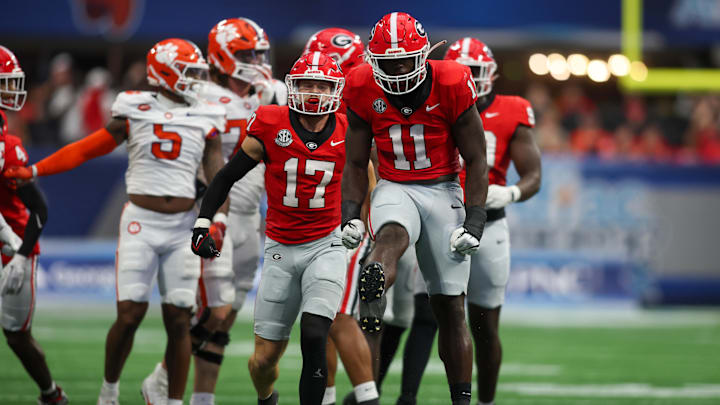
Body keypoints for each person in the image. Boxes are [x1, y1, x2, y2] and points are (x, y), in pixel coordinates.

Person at [5, 39, 227, 405]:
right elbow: (87, 147)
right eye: (189, 73)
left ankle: (172, 401)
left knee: (179, 317)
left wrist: (216, 217)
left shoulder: (207, 114)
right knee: (129, 314)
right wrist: (36, 169)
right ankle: (108, 393)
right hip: (141, 221)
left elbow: (216, 173)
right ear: (165, 74)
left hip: (182, 225)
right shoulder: (134, 107)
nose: (196, 81)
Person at [340, 12, 489, 405]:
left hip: (443, 189)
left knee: (450, 309)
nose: (397, 69)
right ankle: (376, 282)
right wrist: (350, 215)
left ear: (423, 55)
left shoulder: (452, 80)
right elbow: (355, 162)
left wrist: (474, 221)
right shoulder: (359, 83)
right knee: (389, 236)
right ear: (373, 59)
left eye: (404, 60)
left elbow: (476, 158)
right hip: (394, 184)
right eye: (387, 62)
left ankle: (461, 400)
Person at [388, 37, 543, 405]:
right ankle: (406, 397)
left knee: (484, 326)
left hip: (489, 224)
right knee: (427, 312)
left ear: (489, 75)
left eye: (474, 72)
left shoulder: (512, 110)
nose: (468, 78)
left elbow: (534, 175)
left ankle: (484, 401)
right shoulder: (427, 101)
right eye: (462, 71)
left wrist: (512, 192)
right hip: (440, 220)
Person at [191, 52, 348, 405]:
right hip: (280, 247)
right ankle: (267, 398)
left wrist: (361, 226)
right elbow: (226, 176)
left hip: (327, 244)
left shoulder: (348, 128)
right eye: (306, 83)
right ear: (291, 87)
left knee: (314, 332)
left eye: (321, 84)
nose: (313, 91)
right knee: (263, 362)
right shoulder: (269, 122)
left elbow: (364, 180)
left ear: (335, 89)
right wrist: (204, 221)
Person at [140, 18, 280, 405]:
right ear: (222, 56)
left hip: (251, 217)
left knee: (226, 319)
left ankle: (203, 398)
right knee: (211, 313)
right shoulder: (196, 93)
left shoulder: (271, 93)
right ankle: (164, 379)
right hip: (215, 213)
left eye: (257, 53)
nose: (255, 61)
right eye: (245, 54)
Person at [304, 27, 380, 405]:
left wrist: (367, 222)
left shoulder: (361, 110)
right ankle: (327, 397)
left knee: (338, 315)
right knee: (321, 317)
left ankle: (368, 398)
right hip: (313, 225)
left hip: (347, 223)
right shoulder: (311, 113)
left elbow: (371, 172)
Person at [0, 45, 67, 405]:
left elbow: (39, 208)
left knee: (16, 335)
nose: (11, 91)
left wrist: (22, 255)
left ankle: (51, 395)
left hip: (12, 247)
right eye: (4, 83)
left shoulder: (9, 145)